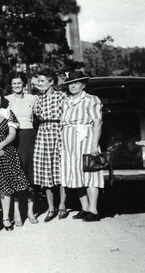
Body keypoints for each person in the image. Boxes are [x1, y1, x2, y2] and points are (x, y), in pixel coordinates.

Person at [60, 71, 104, 222]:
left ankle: (93, 209)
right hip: (69, 142)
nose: (72, 86)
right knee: (75, 174)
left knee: (90, 174)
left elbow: (97, 122)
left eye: (76, 83)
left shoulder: (91, 100)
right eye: (70, 83)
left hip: (85, 140)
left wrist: (94, 145)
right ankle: (84, 207)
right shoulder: (66, 101)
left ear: (83, 84)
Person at [0, 89, 30, 230]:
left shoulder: (8, 113)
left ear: (1, 99)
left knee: (6, 185)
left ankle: (5, 217)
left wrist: (2, 145)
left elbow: (12, 133)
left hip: (7, 151)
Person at [33, 68, 68, 222]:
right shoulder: (38, 99)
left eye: (42, 81)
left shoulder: (61, 96)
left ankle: (62, 205)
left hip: (58, 133)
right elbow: (36, 118)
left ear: (51, 81)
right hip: (43, 134)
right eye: (38, 81)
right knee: (46, 173)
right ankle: (51, 208)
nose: (39, 84)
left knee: (60, 171)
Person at [6, 75, 39, 224]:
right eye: (14, 83)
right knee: (17, 175)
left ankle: (31, 212)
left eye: (19, 83)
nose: (17, 85)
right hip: (14, 138)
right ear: (11, 85)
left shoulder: (32, 98)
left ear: (24, 84)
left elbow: (38, 117)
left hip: (30, 137)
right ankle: (17, 213)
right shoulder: (7, 99)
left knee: (31, 175)